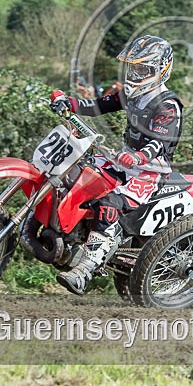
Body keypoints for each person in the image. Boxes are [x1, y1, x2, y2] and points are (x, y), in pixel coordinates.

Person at [49, 35, 183, 295]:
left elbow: (161, 142)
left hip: (149, 172)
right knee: (76, 173)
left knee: (110, 203)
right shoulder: (132, 95)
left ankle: (84, 271)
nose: (136, 73)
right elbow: (99, 105)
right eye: (134, 67)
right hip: (122, 160)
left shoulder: (168, 105)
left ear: (161, 70)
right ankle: (73, 236)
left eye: (143, 69)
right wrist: (70, 103)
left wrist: (139, 157)